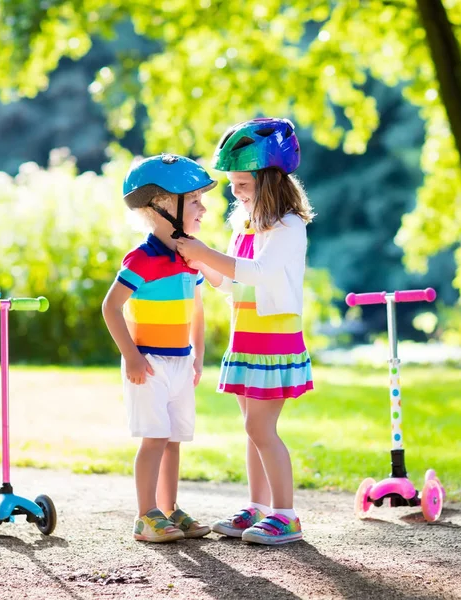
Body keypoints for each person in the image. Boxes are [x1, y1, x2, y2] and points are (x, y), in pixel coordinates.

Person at [176, 118, 314, 545]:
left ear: (270, 178)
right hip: (248, 336)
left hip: (275, 337)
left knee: (261, 429)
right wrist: (203, 267)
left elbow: (260, 273)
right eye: (233, 183)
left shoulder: (289, 226)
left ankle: (285, 515)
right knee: (251, 429)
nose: (236, 191)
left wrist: (205, 252)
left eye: (243, 183)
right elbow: (237, 284)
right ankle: (258, 508)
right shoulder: (246, 225)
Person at [102, 153, 216, 542]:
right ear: (165, 206)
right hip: (148, 363)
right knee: (154, 438)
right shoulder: (142, 258)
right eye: (196, 200)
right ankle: (145, 515)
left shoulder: (190, 255)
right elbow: (110, 307)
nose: (204, 207)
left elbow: (198, 311)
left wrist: (198, 355)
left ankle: (168, 509)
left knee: (173, 440)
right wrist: (132, 355)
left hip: (181, 363)